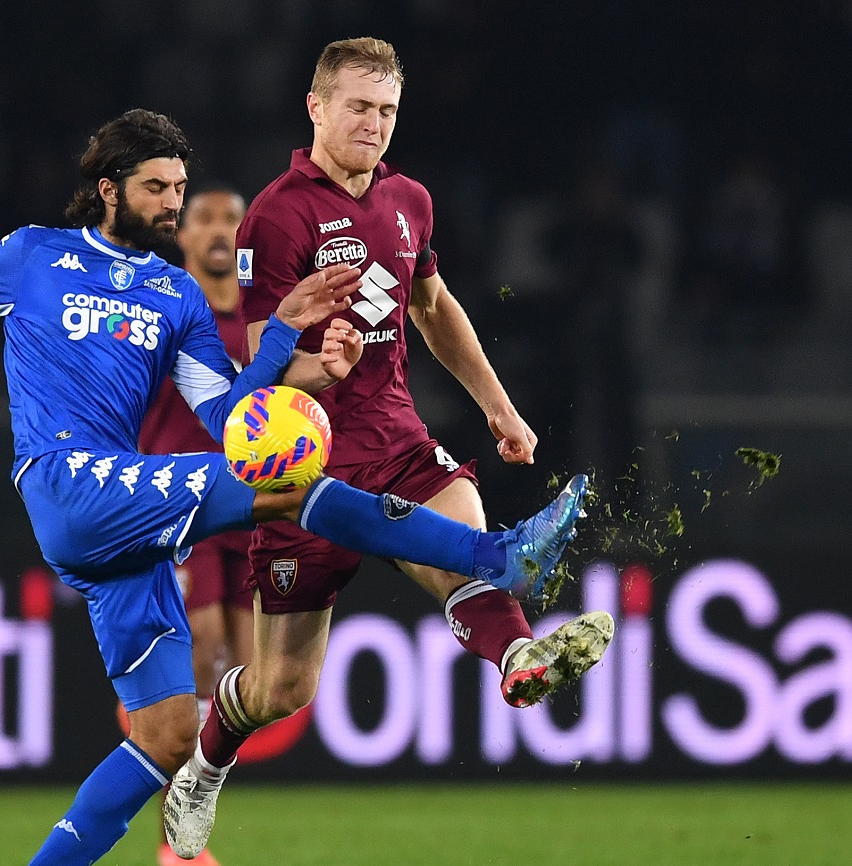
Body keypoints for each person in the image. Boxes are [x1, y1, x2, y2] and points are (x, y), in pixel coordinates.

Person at [0, 108, 604, 866]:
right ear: (108, 188)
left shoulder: (174, 293)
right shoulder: (33, 255)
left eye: (180, 191)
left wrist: (294, 340)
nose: (171, 206)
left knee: (168, 732)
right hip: (69, 480)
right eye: (156, 188)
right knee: (294, 487)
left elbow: (231, 419)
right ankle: (495, 554)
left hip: (124, 524)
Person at [163, 38, 613, 860]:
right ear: (317, 107)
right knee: (281, 690)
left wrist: (498, 407)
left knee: (465, 536)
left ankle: (519, 657)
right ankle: (202, 768)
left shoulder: (410, 200)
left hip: (398, 440)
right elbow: (261, 362)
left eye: (387, 111)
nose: (373, 125)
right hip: (306, 472)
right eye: (359, 107)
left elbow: (434, 309)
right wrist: (319, 366)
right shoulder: (278, 213)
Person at [137, 185, 253, 866]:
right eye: (203, 218)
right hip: (178, 508)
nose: (217, 230)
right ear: (181, 237)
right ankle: (173, 846)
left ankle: (188, 824)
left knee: (245, 676)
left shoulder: (268, 320)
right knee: (198, 654)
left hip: (251, 508)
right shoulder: (166, 312)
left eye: (231, 220)